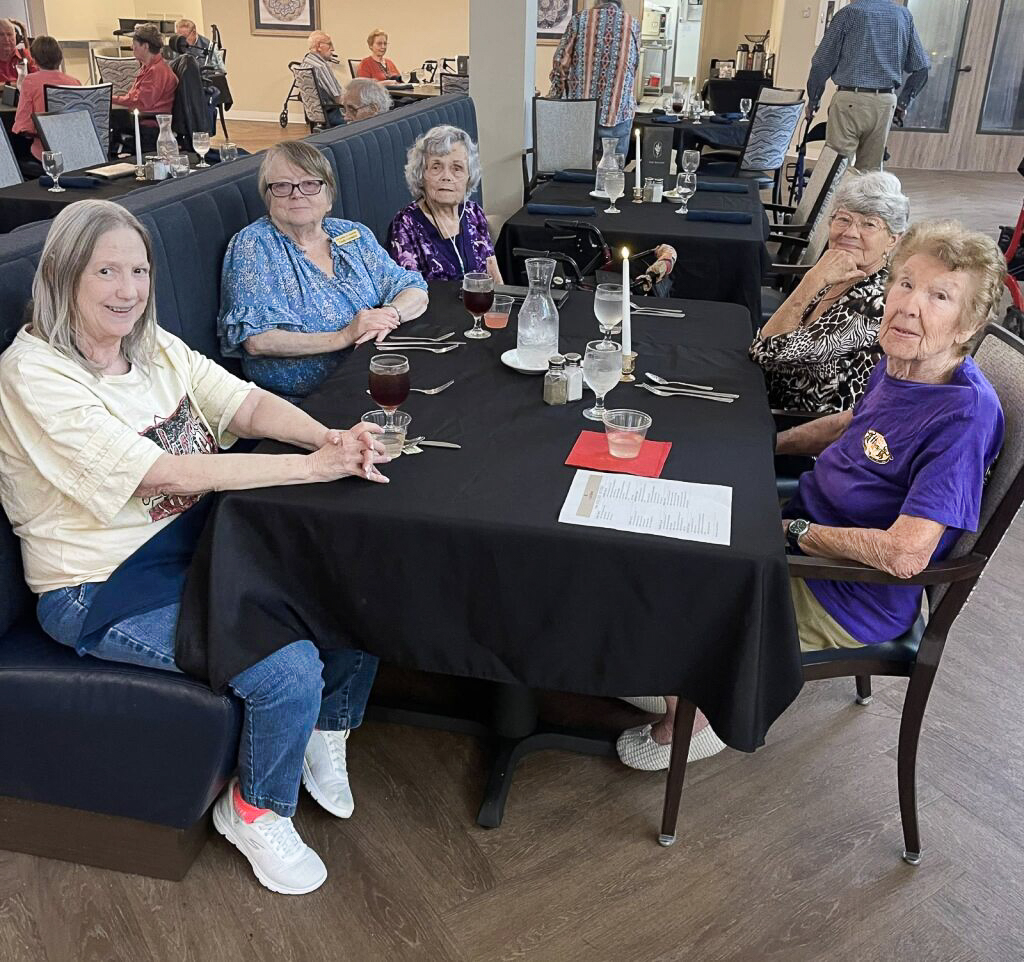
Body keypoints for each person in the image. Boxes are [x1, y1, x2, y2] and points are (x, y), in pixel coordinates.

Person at [0, 199, 394, 895]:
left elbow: (242, 403)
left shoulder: (150, 347)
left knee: (358, 573)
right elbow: (165, 472)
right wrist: (310, 467)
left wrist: (325, 439)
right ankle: (255, 810)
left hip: (195, 540)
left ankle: (325, 728)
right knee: (287, 670)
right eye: (106, 272)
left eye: (140, 270)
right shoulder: (34, 374)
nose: (129, 289)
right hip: (99, 585)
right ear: (63, 275)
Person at [618, 220, 1007, 771]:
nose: (909, 306)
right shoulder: (904, 362)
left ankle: (701, 713)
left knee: (689, 588)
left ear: (969, 327)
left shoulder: (961, 419)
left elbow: (906, 554)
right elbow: (851, 422)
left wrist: (793, 534)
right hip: (799, 530)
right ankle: (671, 669)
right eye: (905, 284)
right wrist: (763, 446)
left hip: (846, 590)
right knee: (660, 536)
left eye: (939, 296)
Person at [219, 141, 428, 401]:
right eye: (282, 186)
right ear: (268, 197)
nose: (297, 194)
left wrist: (390, 313)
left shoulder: (352, 234)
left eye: (310, 184)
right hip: (312, 402)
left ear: (328, 197)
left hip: (377, 377)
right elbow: (258, 340)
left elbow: (413, 288)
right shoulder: (255, 245)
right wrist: (345, 335)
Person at [749, 171, 910, 413]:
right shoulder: (838, 270)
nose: (851, 232)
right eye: (843, 219)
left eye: (869, 224)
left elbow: (765, 353)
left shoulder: (874, 305)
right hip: (767, 395)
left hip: (799, 425)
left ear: (892, 240)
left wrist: (811, 280)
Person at [806, 0, 930, 171]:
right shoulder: (903, 16)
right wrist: (903, 103)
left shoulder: (848, 14)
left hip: (850, 101)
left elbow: (821, 63)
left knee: (835, 169)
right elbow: (922, 67)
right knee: (870, 173)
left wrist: (813, 100)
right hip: (885, 102)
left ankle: (835, 198)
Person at [387, 125, 502, 284]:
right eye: (436, 167)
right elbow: (408, 290)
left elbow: (493, 272)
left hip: (481, 306)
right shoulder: (405, 225)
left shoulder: (473, 212)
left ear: (469, 176)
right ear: (421, 175)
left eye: (457, 168)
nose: (446, 176)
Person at [548, 0, 640, 155]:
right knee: (612, 174)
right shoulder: (633, 24)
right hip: (618, 114)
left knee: (577, 173)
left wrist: (555, 96)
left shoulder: (579, 20)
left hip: (580, 115)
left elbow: (560, 61)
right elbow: (633, 67)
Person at [12, 35, 80, 161]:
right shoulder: (75, 82)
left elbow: (22, 125)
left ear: (34, 59)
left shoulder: (30, 81)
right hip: (73, 149)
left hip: (45, 153)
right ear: (60, 57)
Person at [113, 23, 178, 152]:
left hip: (149, 123)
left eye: (135, 45)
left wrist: (111, 100)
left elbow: (142, 103)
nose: (132, 47)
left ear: (146, 46)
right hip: (144, 117)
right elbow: (135, 98)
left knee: (107, 118)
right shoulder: (149, 68)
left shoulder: (157, 71)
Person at [301, 31, 344, 126]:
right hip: (333, 115)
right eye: (329, 44)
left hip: (316, 116)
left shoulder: (305, 63)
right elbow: (337, 97)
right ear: (319, 46)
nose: (333, 49)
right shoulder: (321, 66)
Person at [0, 18, 34, 86]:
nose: (6, 39)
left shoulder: (25, 55)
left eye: (9, 34)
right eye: (1, 35)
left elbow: (38, 79)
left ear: (15, 36)